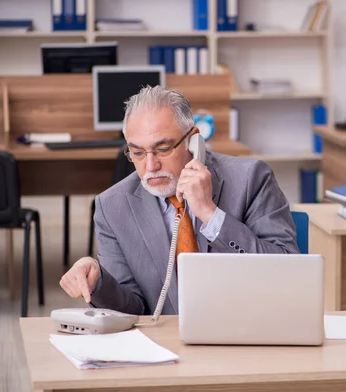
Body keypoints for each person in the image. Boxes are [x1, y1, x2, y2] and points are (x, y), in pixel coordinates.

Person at [60, 86, 299, 314]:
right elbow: (134, 311)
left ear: (193, 140)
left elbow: (287, 273)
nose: (150, 166)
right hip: (165, 346)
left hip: (244, 337)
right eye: (138, 153)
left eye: (163, 149)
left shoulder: (251, 179)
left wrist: (210, 214)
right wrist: (98, 282)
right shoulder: (112, 207)